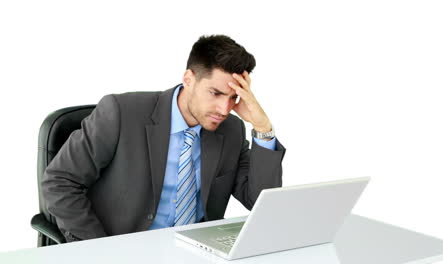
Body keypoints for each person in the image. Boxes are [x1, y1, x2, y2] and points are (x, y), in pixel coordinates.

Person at [42, 34, 286, 242]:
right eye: (215, 93)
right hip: (125, 248)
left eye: (233, 97)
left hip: (196, 250)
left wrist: (263, 127)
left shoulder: (231, 130)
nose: (224, 109)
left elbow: (261, 203)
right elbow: (60, 182)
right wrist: (101, 250)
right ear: (189, 79)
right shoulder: (121, 112)